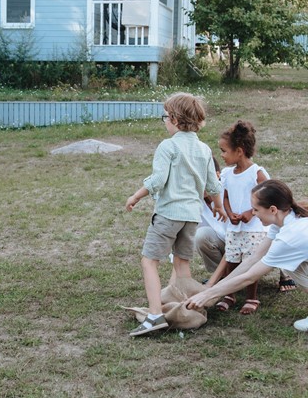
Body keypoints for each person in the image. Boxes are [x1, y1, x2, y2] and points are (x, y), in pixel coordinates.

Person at [125, 92, 226, 337]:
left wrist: (136, 196)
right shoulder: (203, 149)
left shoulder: (168, 146)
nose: (164, 122)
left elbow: (158, 181)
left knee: (149, 261)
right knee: (182, 264)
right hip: (192, 216)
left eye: (165, 117)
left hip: (169, 214)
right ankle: (187, 311)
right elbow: (213, 185)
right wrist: (219, 206)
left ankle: (154, 316)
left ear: (173, 119)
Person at [186, 180, 308, 332]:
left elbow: (249, 277)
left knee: (290, 267)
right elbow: (253, 259)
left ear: (272, 209)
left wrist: (208, 295)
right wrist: (212, 290)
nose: (254, 214)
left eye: (256, 209)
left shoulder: (289, 237)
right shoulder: (284, 221)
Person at [215, 120, 271, 314]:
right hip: (234, 228)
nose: (221, 155)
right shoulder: (228, 174)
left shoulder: (256, 173)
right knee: (231, 260)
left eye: (224, 151)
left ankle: (251, 297)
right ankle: (230, 294)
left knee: (249, 262)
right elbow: (226, 196)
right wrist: (230, 214)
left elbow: (267, 197)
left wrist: (251, 213)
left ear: (239, 151)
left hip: (254, 229)